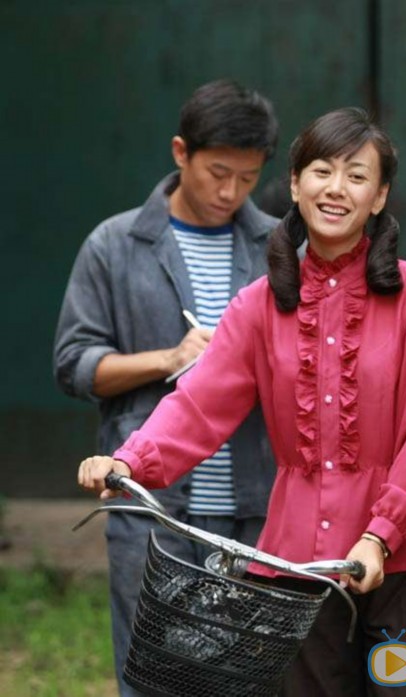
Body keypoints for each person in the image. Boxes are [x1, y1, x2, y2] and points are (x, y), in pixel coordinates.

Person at [78, 107, 406, 696]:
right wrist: (129, 460)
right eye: (321, 171)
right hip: (294, 566)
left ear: (380, 197)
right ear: (293, 185)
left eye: (357, 176)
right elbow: (200, 404)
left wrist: (380, 534)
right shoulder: (257, 305)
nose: (336, 189)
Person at [54, 79, 279, 696]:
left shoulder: (277, 248)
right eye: (216, 172)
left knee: (251, 678)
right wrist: (170, 358)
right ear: (181, 152)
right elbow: (74, 363)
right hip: (151, 502)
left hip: (255, 503)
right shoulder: (115, 244)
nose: (230, 192)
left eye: (248, 177)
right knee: (153, 676)